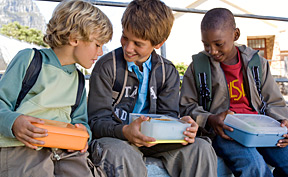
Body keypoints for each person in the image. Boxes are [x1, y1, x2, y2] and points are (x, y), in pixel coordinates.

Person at [88, 0, 217, 177]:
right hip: (116, 138)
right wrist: (125, 131)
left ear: (158, 43)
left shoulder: (167, 71)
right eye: (125, 37)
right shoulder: (106, 66)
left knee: (201, 148)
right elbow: (96, 122)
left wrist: (182, 128)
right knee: (122, 154)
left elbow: (168, 117)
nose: (128, 47)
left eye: (138, 44)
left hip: (155, 141)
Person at [0, 0, 112, 176]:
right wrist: (13, 122)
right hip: (22, 147)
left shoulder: (79, 80)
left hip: (65, 151)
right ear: (75, 38)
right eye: (97, 44)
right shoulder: (30, 60)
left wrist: (84, 133)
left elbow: (80, 120)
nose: (101, 52)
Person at [179, 7, 288, 177]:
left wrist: (283, 122)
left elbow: (274, 102)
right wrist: (210, 119)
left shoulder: (257, 64)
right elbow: (186, 107)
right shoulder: (198, 68)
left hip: (261, 130)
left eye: (218, 44)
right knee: (254, 167)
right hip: (225, 133)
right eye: (206, 44)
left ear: (235, 35)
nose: (212, 51)